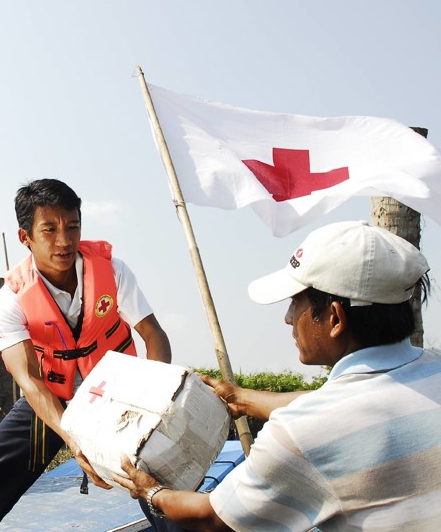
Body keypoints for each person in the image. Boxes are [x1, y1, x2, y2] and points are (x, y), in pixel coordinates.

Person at [114, 220, 441, 531]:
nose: (288, 318)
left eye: (295, 303)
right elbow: (343, 404)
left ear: (335, 318)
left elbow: (214, 519)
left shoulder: (303, 432)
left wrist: (152, 491)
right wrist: (239, 398)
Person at [0, 178, 172, 532]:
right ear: (24, 237)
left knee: (160, 475)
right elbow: (29, 380)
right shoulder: (8, 302)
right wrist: (75, 441)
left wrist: (150, 408)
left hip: (117, 395)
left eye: (73, 227)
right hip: (50, 395)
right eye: (50, 230)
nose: (65, 240)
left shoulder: (112, 271)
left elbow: (154, 336)